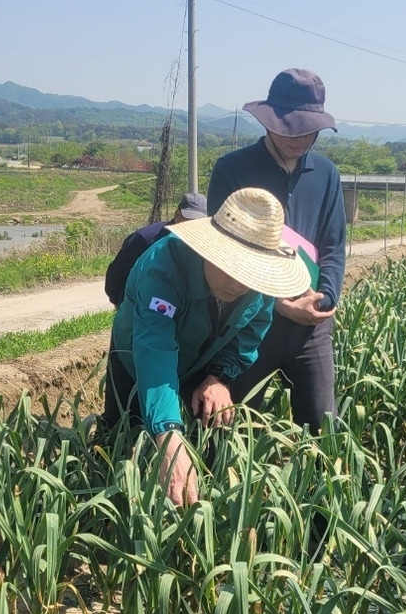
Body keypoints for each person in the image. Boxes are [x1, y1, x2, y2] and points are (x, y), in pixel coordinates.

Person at [103, 187, 312, 506]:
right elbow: (154, 353)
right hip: (137, 360)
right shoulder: (163, 266)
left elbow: (252, 330)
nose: (238, 284)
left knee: (207, 443)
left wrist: (219, 377)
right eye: (230, 266)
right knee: (124, 445)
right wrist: (168, 434)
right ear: (209, 250)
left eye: (249, 274)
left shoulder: (262, 283)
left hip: (204, 359)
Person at [207, 69, 347, 430]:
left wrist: (324, 299)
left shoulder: (326, 174)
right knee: (220, 427)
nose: (300, 139)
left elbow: (332, 247)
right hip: (247, 323)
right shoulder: (233, 170)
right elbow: (222, 257)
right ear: (269, 122)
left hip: (309, 329)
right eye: (290, 129)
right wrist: (280, 304)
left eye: (308, 130)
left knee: (322, 429)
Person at [104, 192, 208, 306]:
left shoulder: (201, 245)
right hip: (135, 308)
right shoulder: (145, 238)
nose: (193, 226)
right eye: (190, 220)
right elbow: (116, 275)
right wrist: (123, 304)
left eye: (199, 222)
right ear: (177, 215)